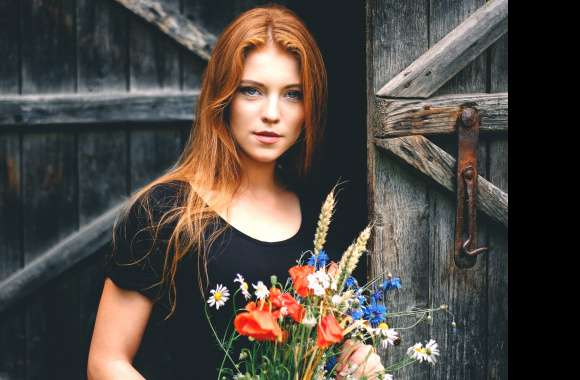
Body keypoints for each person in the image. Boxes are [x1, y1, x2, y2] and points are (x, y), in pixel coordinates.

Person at [87, 5, 382, 379]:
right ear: (223, 97)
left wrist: (357, 360)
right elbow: (106, 363)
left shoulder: (326, 219)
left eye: (292, 94)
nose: (272, 113)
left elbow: (326, 352)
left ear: (310, 108)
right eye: (252, 91)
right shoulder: (166, 212)